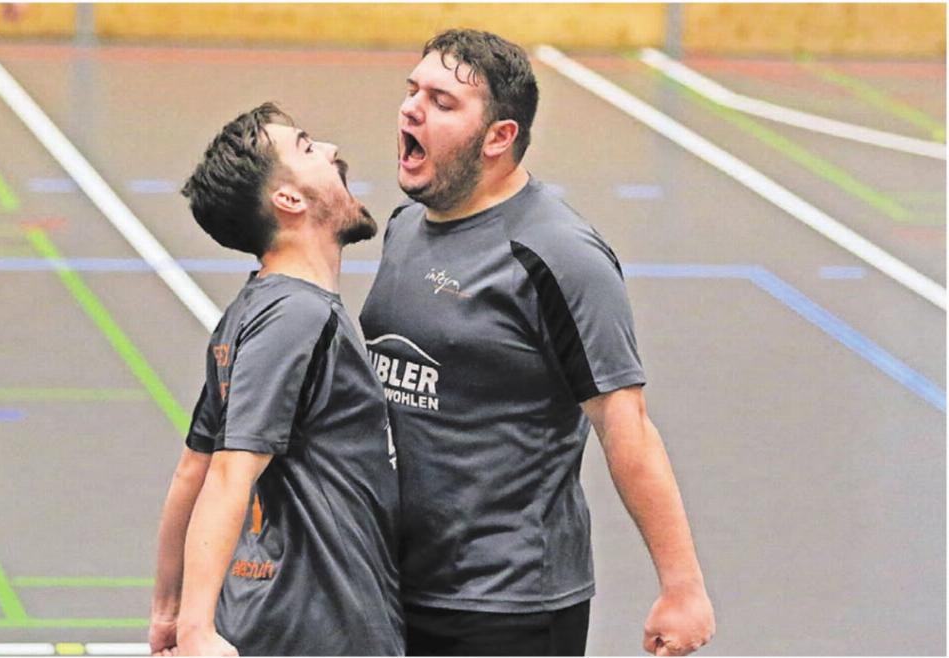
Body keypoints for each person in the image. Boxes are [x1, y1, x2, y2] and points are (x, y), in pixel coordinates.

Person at [359, 29, 715, 656]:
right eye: (412, 91)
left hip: (507, 604)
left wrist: (681, 587)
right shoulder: (405, 227)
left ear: (499, 137)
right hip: (395, 587)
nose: (412, 109)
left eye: (442, 102)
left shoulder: (559, 255)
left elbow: (626, 425)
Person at [149, 103, 404, 656]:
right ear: (289, 200)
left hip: (273, 619)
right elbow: (227, 473)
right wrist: (194, 628)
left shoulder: (252, 310)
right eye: (308, 147)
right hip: (317, 630)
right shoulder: (296, 316)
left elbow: (191, 469)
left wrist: (168, 610)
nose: (332, 151)